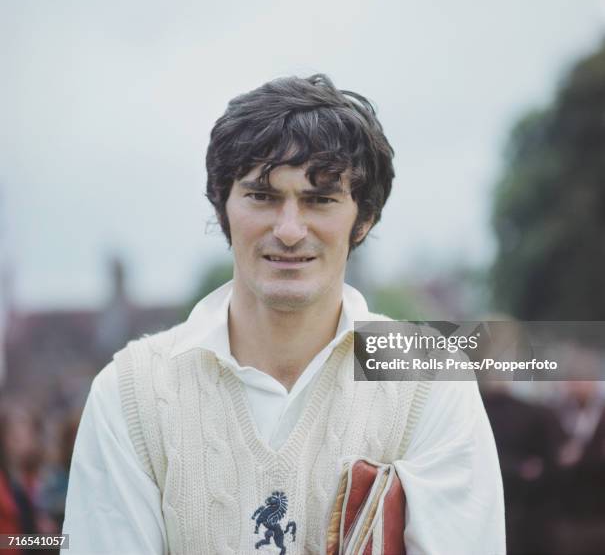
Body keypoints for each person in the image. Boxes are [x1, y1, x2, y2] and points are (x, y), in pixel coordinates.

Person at [63, 74, 505, 554]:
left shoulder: (429, 380)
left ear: (364, 220)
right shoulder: (130, 392)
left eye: (320, 199)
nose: (290, 230)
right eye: (262, 196)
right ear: (222, 207)